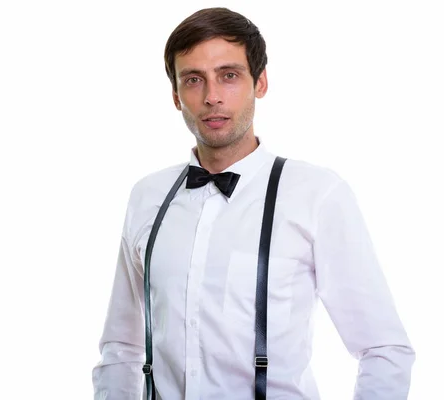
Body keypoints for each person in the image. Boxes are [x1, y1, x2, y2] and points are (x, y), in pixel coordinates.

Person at [92, 7, 415, 400]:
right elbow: (121, 348)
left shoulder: (316, 194)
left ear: (260, 82)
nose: (211, 97)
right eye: (194, 80)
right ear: (176, 96)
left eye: (229, 76)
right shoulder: (146, 197)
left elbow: (383, 349)